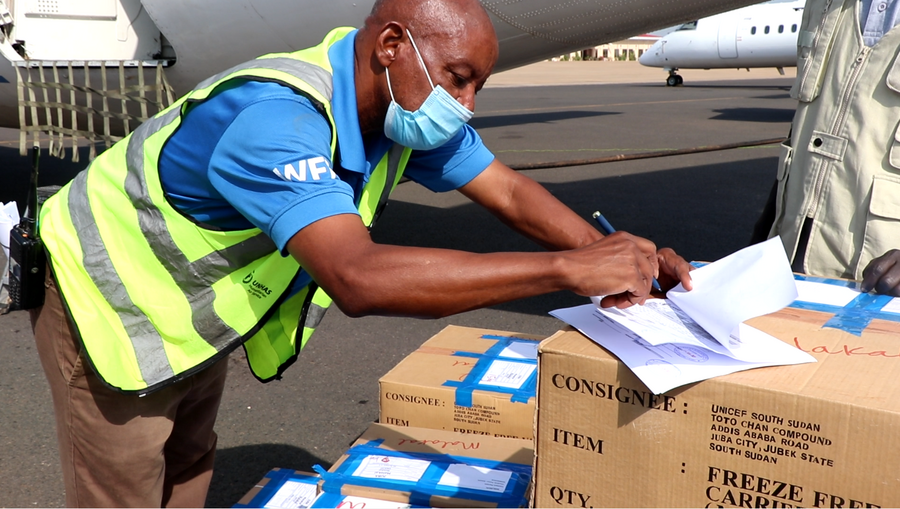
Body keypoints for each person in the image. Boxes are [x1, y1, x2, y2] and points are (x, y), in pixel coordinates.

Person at [31, 0, 693, 506]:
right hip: (110, 307)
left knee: (189, 454)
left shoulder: (398, 107)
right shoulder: (275, 120)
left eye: (477, 87)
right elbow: (357, 277)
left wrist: (614, 252)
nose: (464, 107)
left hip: (194, 311)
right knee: (128, 476)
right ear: (391, 46)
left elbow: (511, 192)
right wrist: (566, 270)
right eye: (458, 80)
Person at [755, 0, 900, 295]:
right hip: (786, 276)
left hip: (879, 291)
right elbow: (802, 137)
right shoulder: (822, 4)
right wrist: (754, 249)